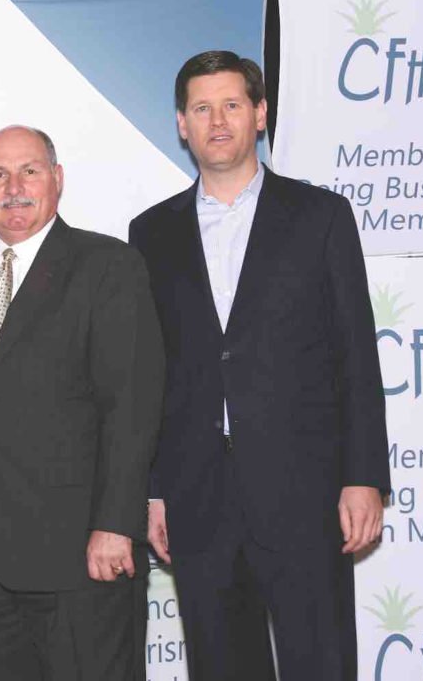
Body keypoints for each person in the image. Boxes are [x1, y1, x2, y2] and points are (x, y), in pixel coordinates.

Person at [128, 50, 390, 680]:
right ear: (182, 126)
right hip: (198, 499)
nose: (218, 121)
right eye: (201, 108)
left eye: (232, 105)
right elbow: (150, 373)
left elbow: (355, 352)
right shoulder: (150, 234)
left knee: (319, 663)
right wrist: (156, 489)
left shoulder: (320, 217)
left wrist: (363, 477)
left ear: (261, 114)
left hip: (306, 493)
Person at [0, 125, 164, 680]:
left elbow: (133, 405)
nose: (15, 187)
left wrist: (117, 524)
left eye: (30, 171)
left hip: (79, 551)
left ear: (58, 179)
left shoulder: (108, 267)